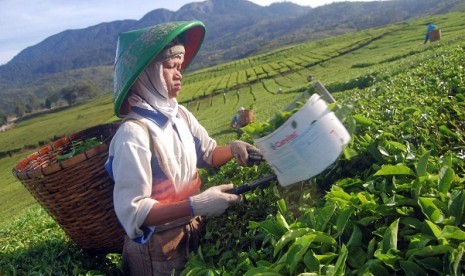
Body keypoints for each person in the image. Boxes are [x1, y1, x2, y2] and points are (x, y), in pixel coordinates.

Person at [105, 20, 260, 275]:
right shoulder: (133, 134)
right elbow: (134, 212)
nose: (179, 74)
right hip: (158, 250)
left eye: (179, 67)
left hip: (192, 229)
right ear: (146, 75)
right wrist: (195, 205)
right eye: (169, 67)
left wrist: (232, 149)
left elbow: (208, 154)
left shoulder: (181, 115)